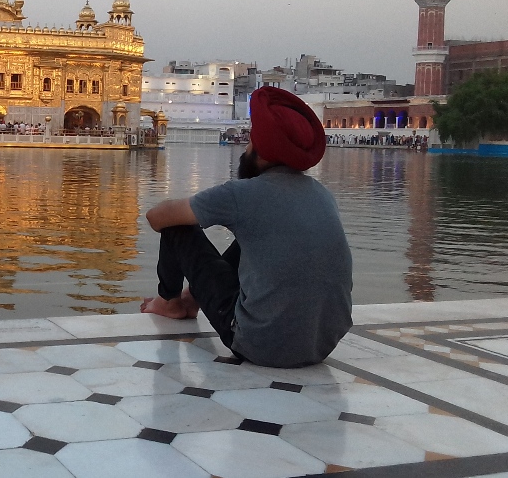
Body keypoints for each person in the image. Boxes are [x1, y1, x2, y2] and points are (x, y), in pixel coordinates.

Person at [141, 86, 352, 368]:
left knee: (177, 227)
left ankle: (169, 302)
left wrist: (171, 204)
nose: (246, 148)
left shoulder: (243, 194)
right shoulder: (321, 194)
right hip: (321, 346)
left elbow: (157, 218)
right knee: (258, 237)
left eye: (251, 142)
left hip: (259, 344)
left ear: (262, 152)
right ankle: (192, 299)